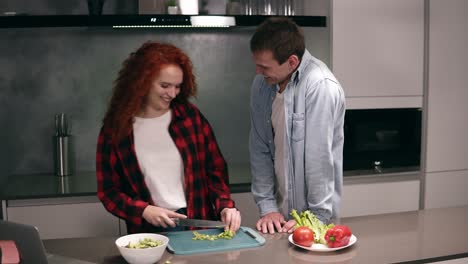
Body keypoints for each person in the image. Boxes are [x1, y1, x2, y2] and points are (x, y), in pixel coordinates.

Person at [96, 41, 241, 234]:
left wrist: (225, 206)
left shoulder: (190, 117)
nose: (172, 94)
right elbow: (109, 192)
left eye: (178, 86)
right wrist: (144, 210)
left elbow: (215, 170)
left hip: (198, 224)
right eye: (165, 85)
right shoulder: (116, 129)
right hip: (149, 231)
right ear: (142, 81)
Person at [249, 17, 345, 234]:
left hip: (314, 220)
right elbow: (260, 147)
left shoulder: (320, 86)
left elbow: (318, 158)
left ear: (292, 62)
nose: (257, 71)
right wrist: (267, 207)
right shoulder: (262, 85)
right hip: (279, 218)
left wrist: (315, 218)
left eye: (264, 66)